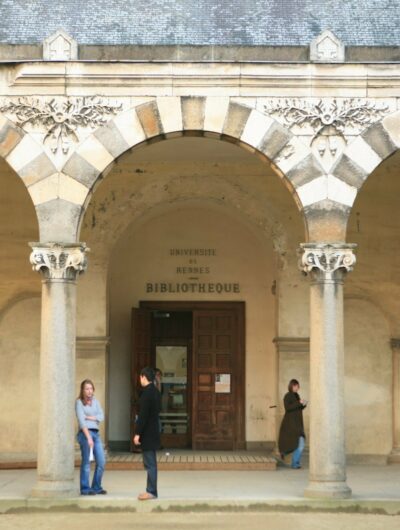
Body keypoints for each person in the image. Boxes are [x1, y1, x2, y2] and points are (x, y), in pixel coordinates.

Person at [133, 366, 161, 500]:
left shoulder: (146, 393)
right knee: (151, 463)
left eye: (140, 377)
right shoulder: (156, 392)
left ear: (144, 377)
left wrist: (137, 433)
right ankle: (151, 490)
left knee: (150, 464)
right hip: (154, 431)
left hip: (147, 433)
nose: (140, 379)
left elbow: (143, 416)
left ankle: (151, 491)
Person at [75, 379, 107, 495]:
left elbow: (101, 416)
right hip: (85, 434)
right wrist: (88, 437)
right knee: (87, 462)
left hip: (96, 434)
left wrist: (88, 417)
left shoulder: (96, 402)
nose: (89, 391)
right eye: (86, 389)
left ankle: (96, 487)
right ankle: (85, 488)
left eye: (91, 389)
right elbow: (81, 421)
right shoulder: (79, 402)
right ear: (83, 391)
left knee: (101, 461)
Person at [278, 378, 307, 469]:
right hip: (290, 424)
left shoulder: (296, 395)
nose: (297, 388)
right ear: (292, 386)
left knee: (300, 443)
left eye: (298, 386)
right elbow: (288, 408)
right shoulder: (288, 395)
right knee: (300, 444)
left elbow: (297, 408)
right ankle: (295, 463)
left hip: (297, 424)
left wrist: (303, 405)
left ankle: (295, 463)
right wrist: (299, 402)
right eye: (296, 386)